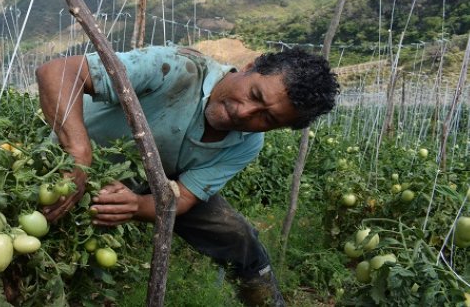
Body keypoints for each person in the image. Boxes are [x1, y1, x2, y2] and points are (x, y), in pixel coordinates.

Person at [35, 45, 339, 307]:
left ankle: (262, 293)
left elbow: (185, 197)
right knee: (43, 228)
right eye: (254, 94)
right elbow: (58, 72)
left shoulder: (246, 143)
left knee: (235, 233)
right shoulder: (175, 69)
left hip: (156, 183)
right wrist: (78, 152)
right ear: (249, 67)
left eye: (267, 118)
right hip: (67, 163)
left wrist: (137, 206)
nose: (245, 113)